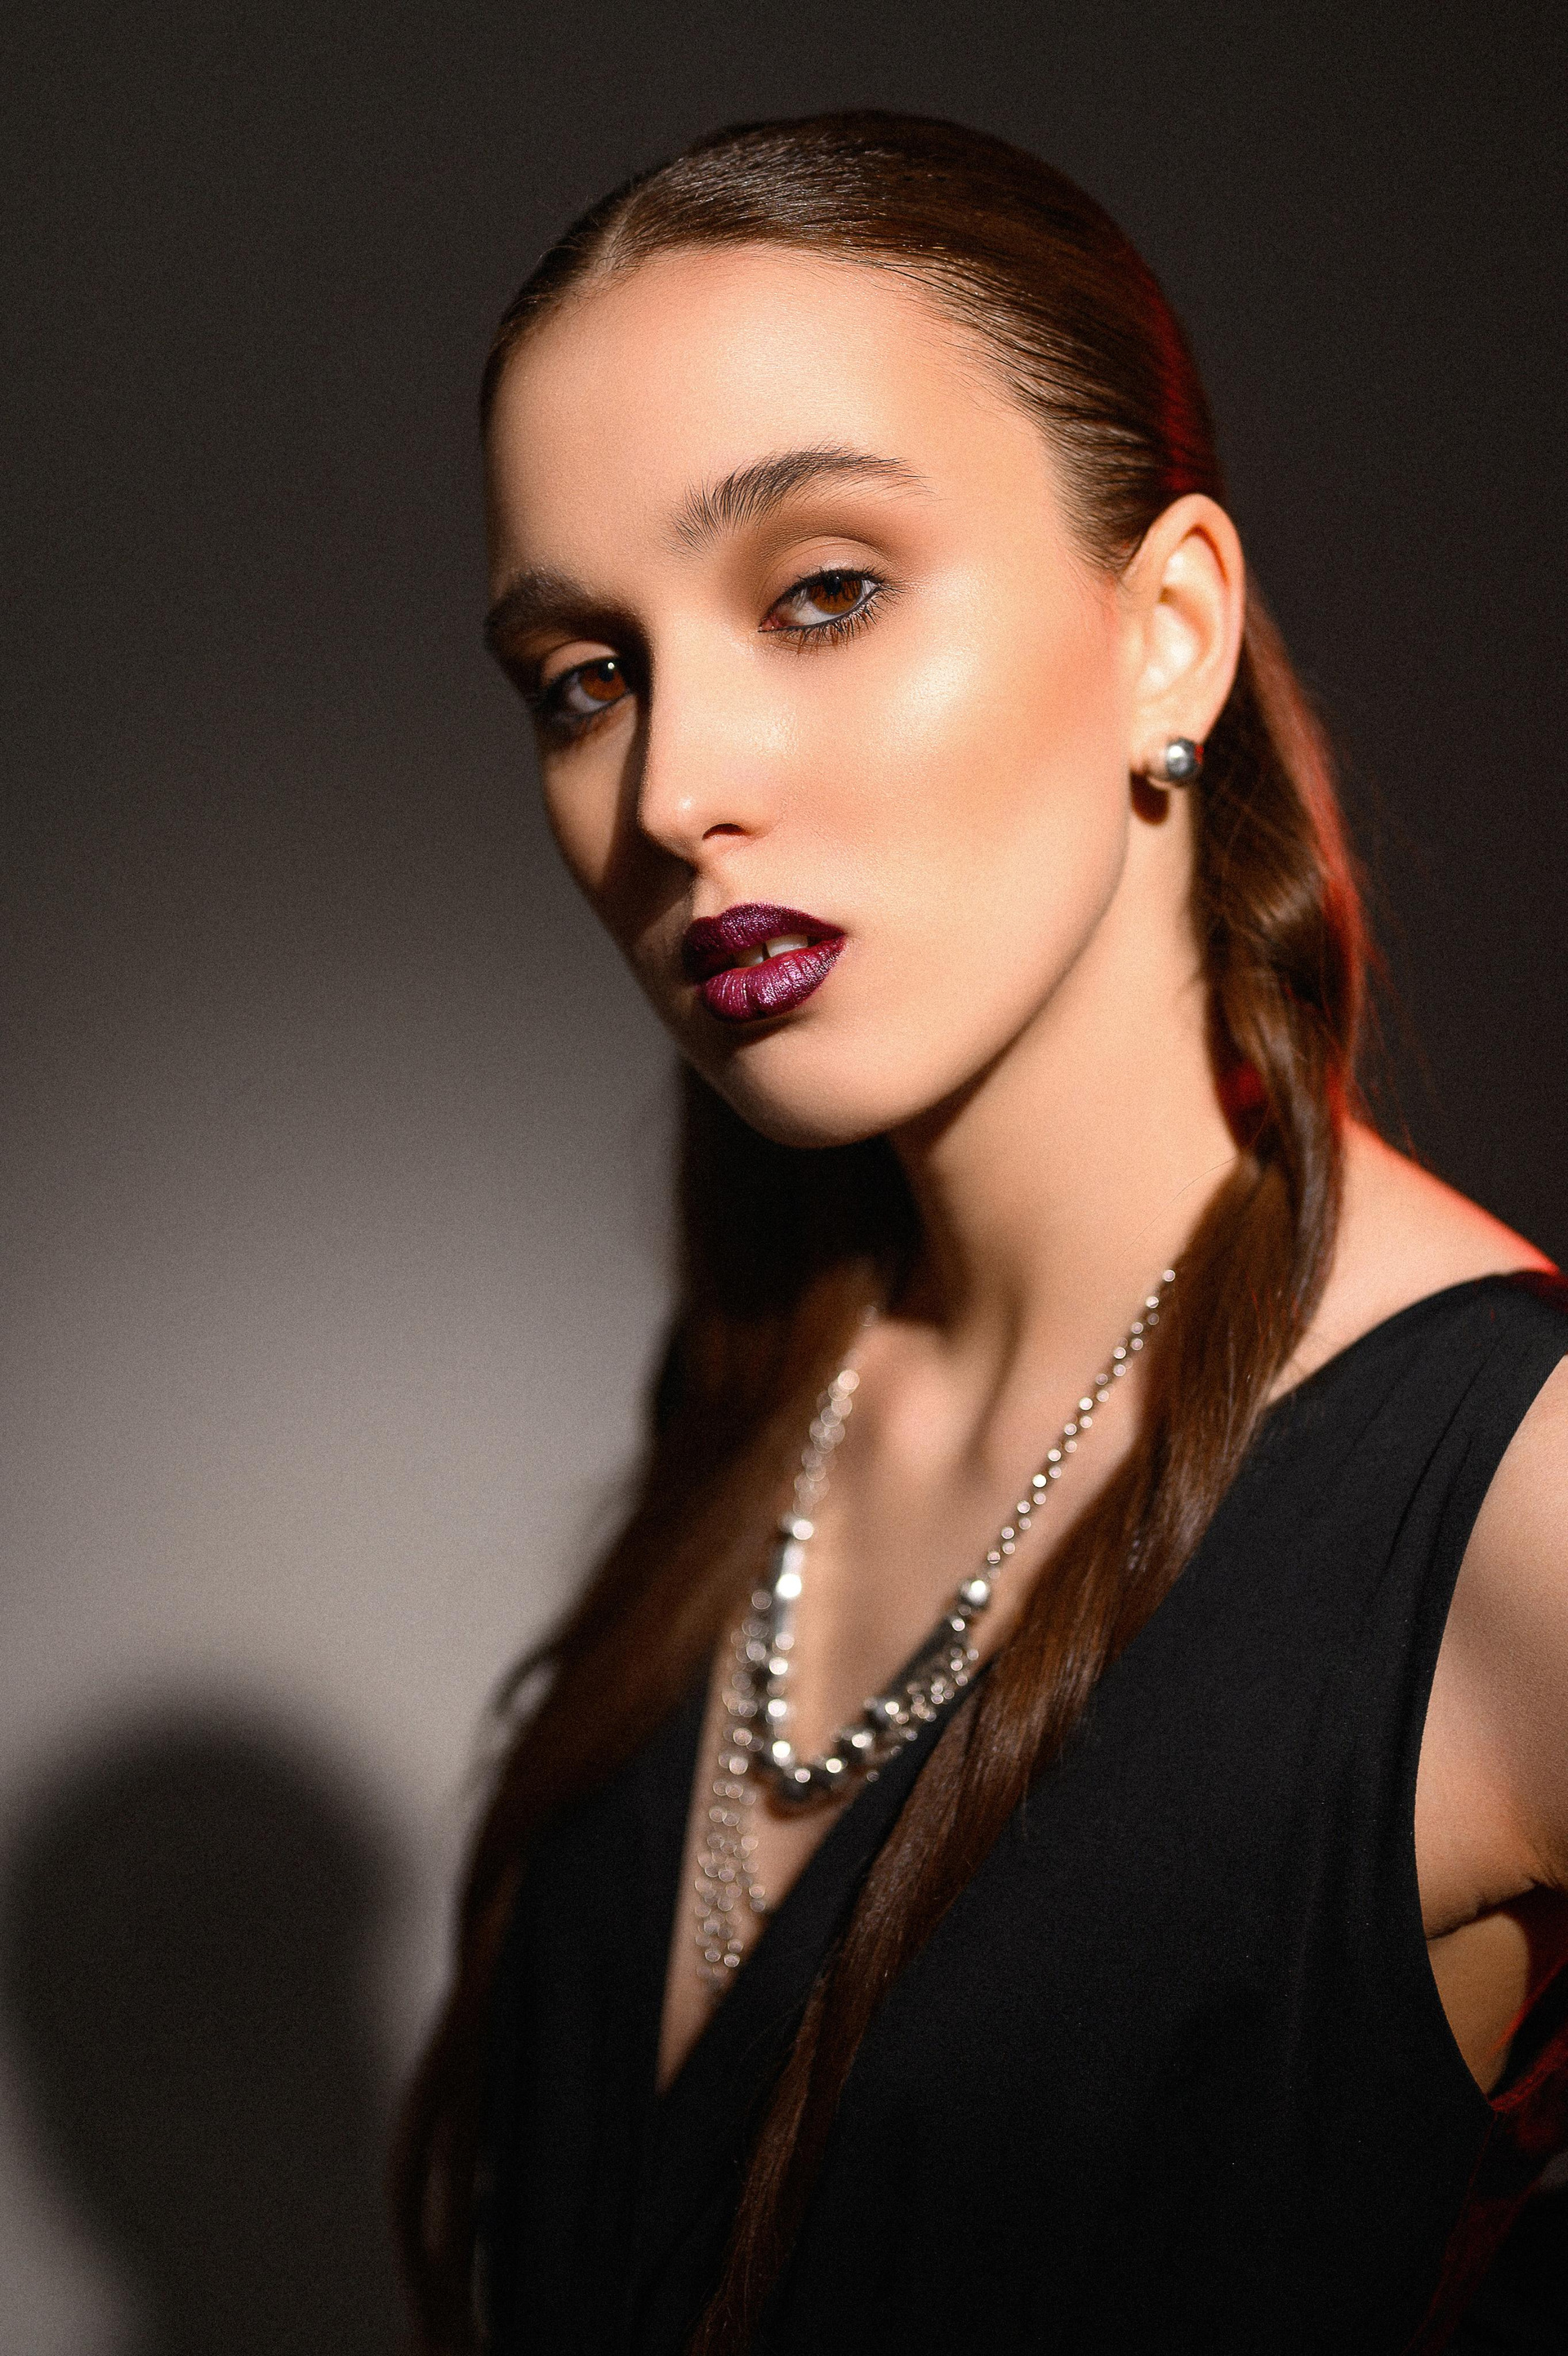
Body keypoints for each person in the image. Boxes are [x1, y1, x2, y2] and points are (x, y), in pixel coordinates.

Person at [395, 114, 1568, 2354]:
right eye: (585, 677)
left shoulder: (1513, 1499)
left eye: (823, 590)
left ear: (1170, 631)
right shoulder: (769, 1397)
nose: (674, 791)